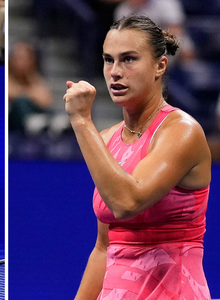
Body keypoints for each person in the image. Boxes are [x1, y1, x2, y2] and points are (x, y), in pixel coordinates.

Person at [63, 15, 211, 299]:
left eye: (129, 59)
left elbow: (127, 202)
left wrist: (81, 121)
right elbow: (104, 247)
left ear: (160, 66)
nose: (115, 72)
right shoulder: (104, 139)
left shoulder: (182, 132)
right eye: (109, 60)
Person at [8, 41, 53, 135]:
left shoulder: (33, 77)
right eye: (18, 58)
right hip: (13, 124)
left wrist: (29, 78)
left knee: (49, 111)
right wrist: (29, 93)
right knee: (21, 102)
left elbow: (46, 100)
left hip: (32, 126)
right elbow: (10, 92)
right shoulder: (7, 76)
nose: (20, 62)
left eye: (24, 58)